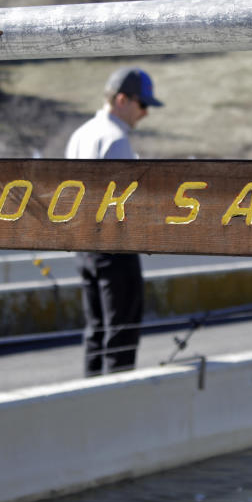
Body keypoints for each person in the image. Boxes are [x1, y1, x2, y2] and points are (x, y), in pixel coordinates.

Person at [65, 66, 164, 377]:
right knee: (121, 333)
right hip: (114, 245)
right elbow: (127, 204)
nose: (145, 113)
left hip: (84, 245)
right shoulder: (115, 139)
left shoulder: (80, 134)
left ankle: (90, 396)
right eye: (143, 104)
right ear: (122, 99)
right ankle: (115, 402)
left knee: (95, 331)